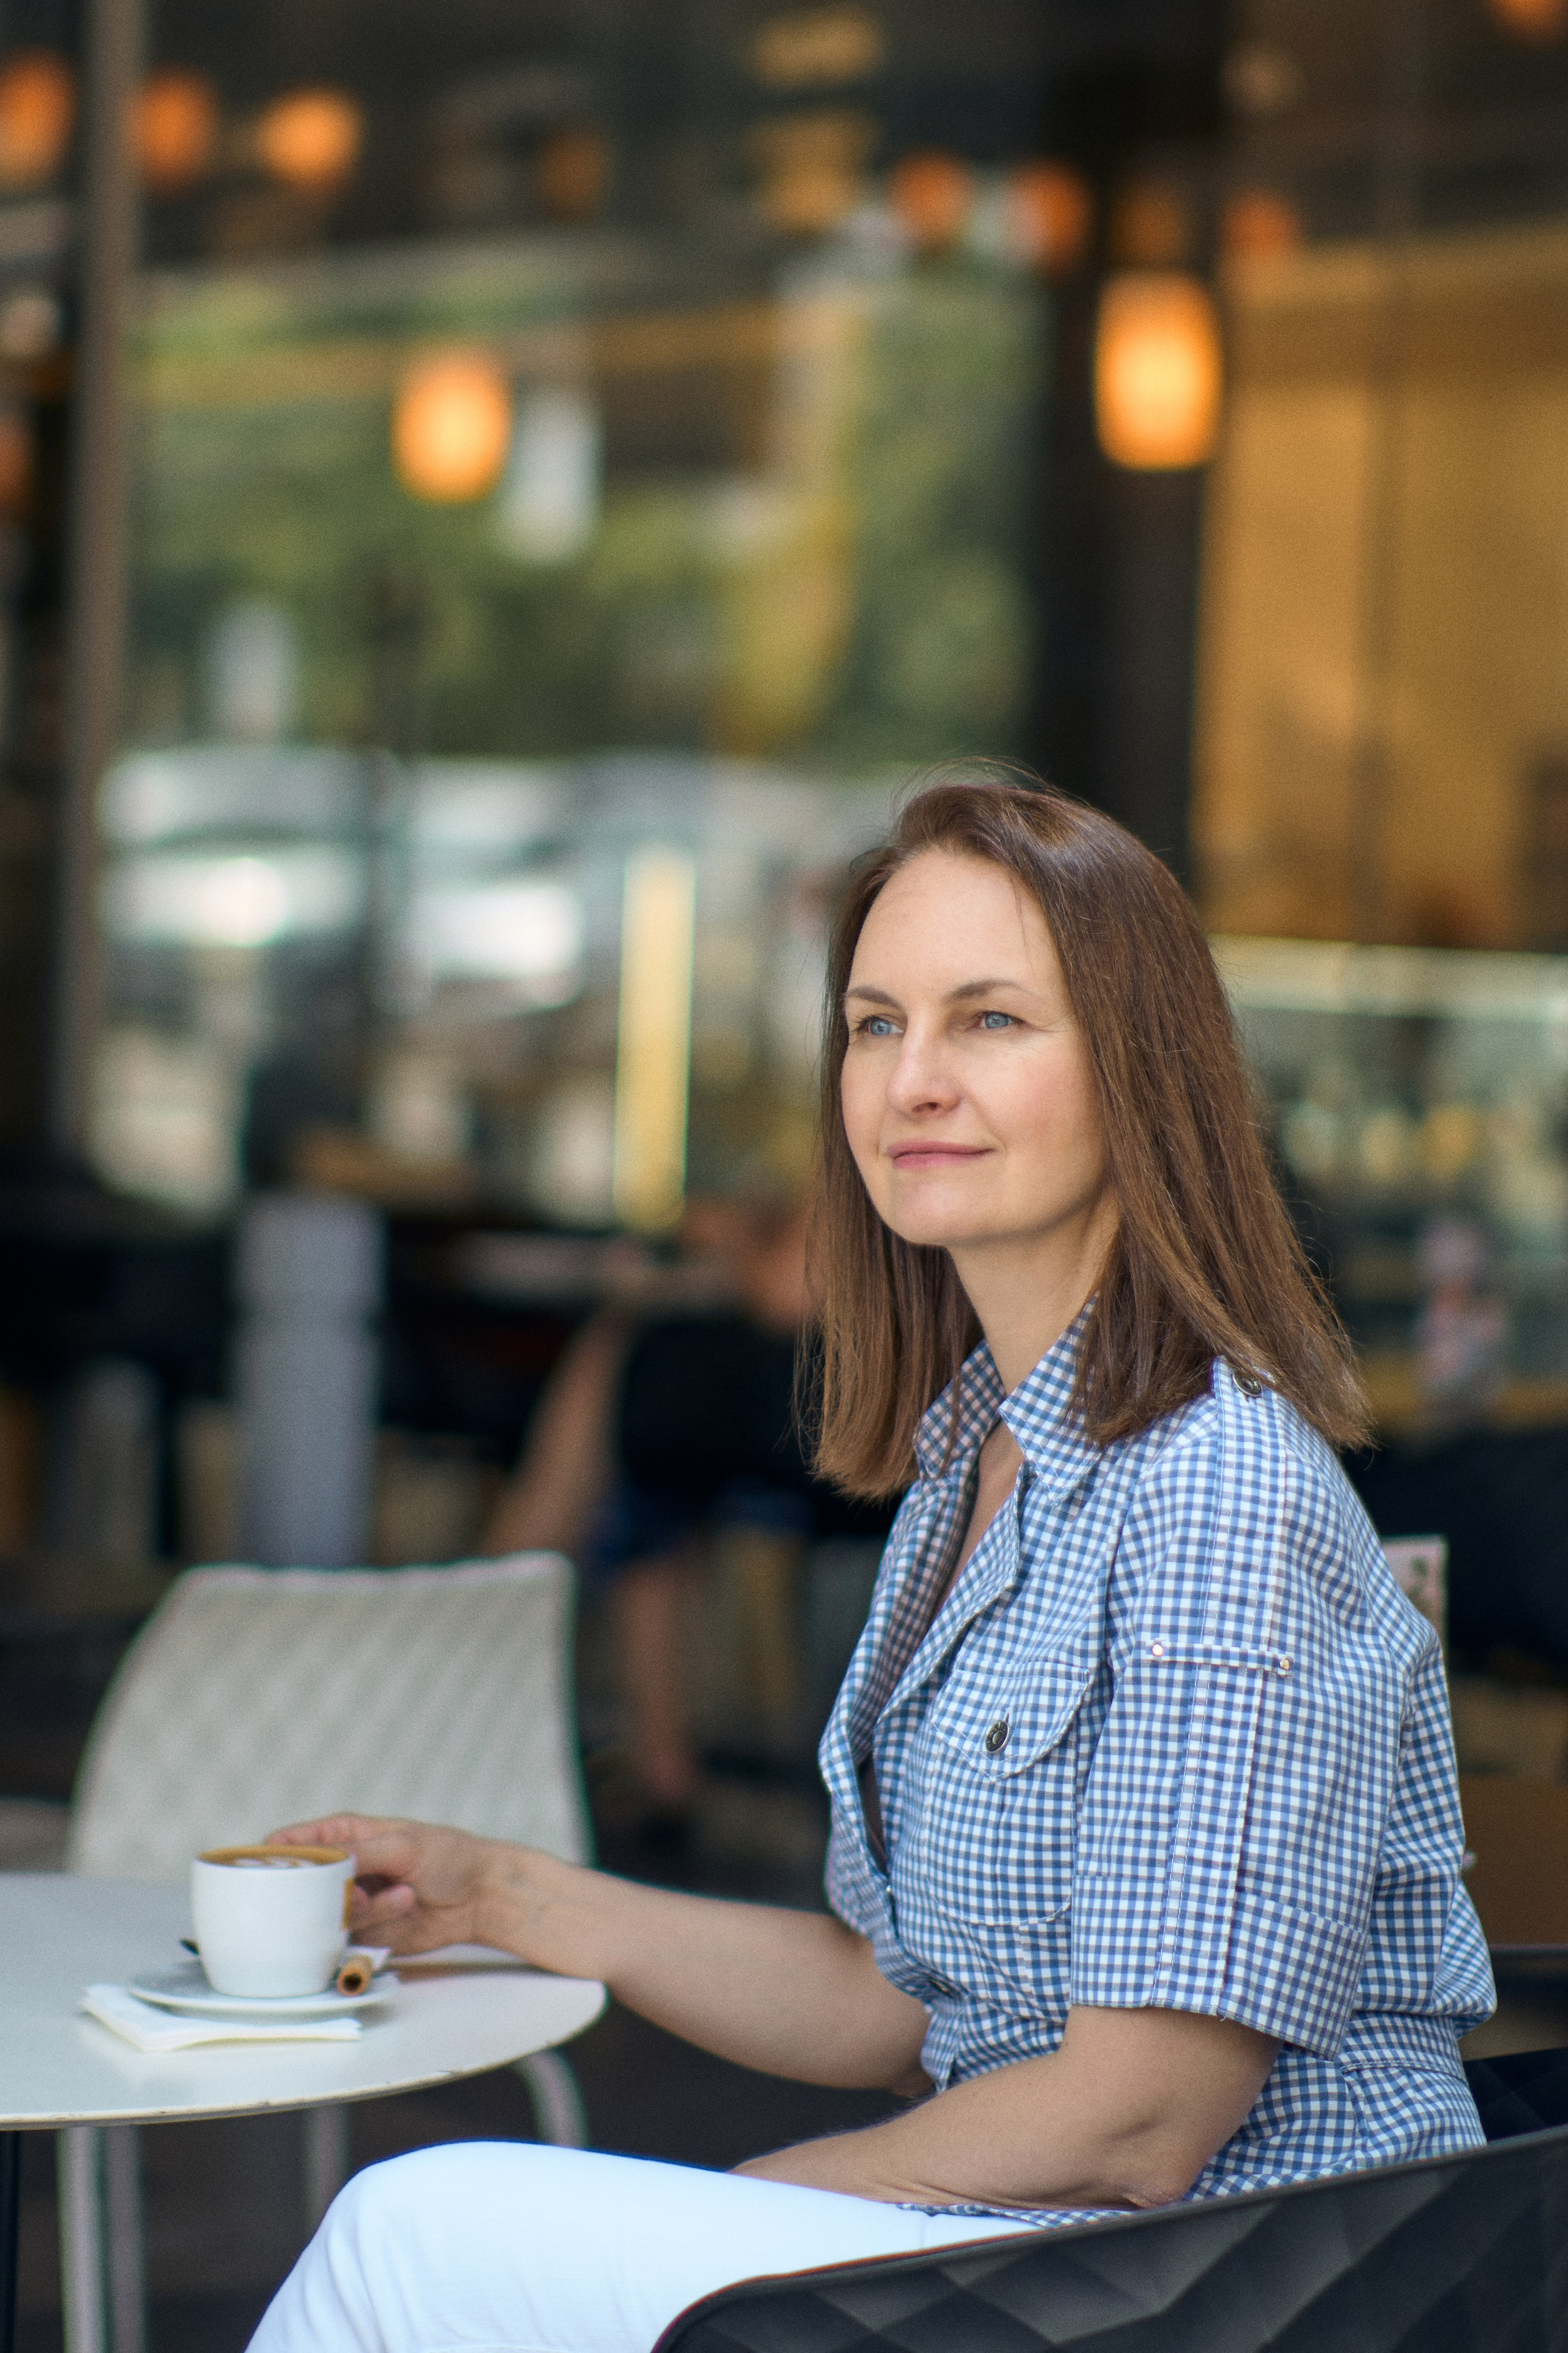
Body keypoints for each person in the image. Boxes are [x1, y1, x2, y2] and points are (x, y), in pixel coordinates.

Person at [251, 771, 1493, 2353]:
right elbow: (894, 1998)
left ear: (1139, 1069)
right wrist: (501, 1891)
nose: (914, 1079)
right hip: (1035, 2267)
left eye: (990, 1021)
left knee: (407, 2237)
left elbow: (1140, 2124)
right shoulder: (983, 1461)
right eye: (874, 1023)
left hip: (1226, 2296)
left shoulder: (1214, 1495)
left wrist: (762, 2212)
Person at [484, 1195, 895, 1830]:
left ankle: (499, 1596)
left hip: (872, 1425)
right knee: (649, 1433)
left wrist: (726, 1249)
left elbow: (788, 1292)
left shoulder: (876, 1154)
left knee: (637, 1380)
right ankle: (510, 1594)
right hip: (857, 1413)